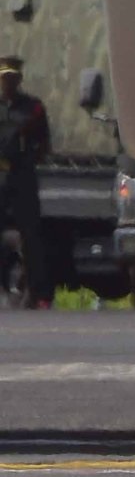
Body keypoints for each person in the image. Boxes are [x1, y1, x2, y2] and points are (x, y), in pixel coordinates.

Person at [0, 52, 51, 305]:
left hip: (21, 176)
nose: (8, 83)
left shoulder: (33, 108)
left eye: (12, 78)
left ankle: (37, 292)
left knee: (30, 237)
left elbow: (43, 144)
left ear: (19, 79)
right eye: (4, 78)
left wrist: (28, 161)